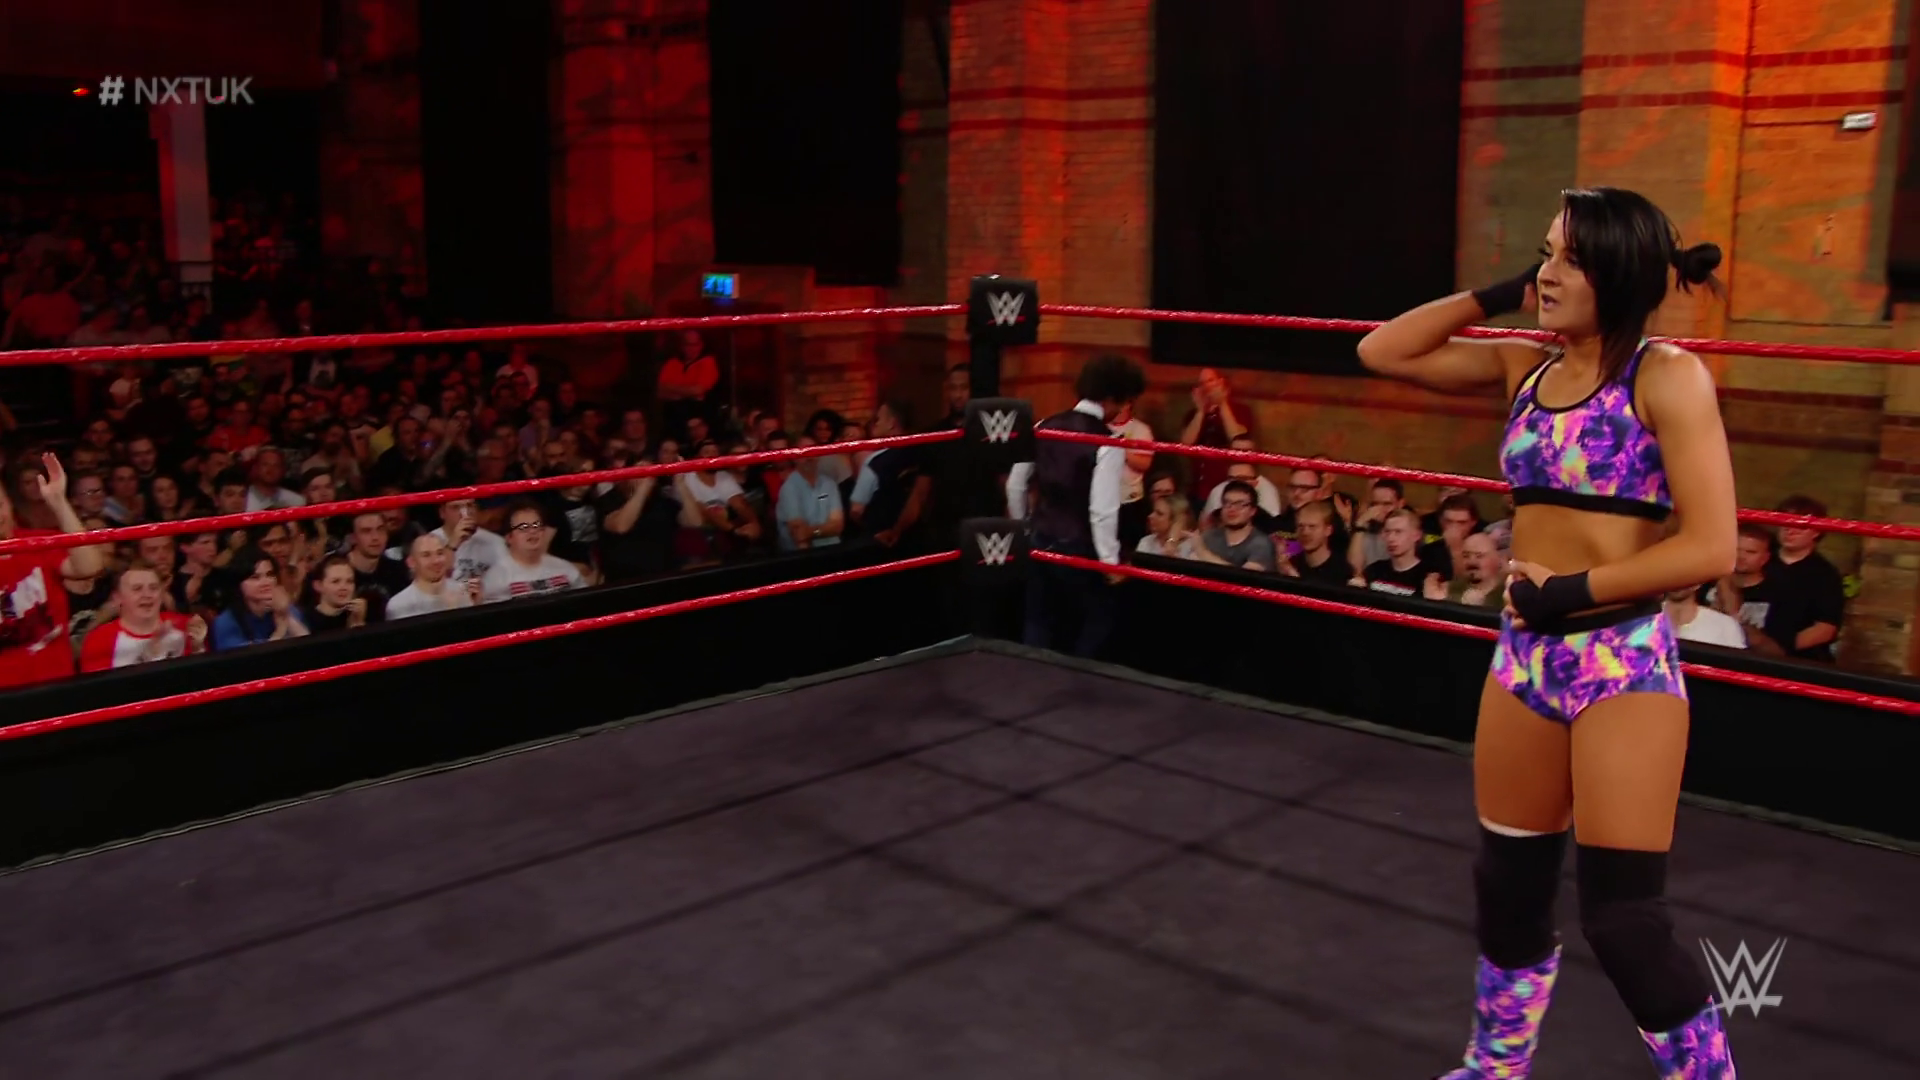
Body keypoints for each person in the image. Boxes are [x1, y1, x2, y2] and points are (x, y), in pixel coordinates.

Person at [1359, 187, 1737, 1077]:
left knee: (1625, 921)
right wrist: (1501, 293)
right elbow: (1382, 349)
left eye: (1569, 260)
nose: (1549, 275)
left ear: (1618, 273)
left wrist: (1570, 593)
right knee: (1508, 888)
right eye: (1544, 255)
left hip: (1622, 662)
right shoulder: (1523, 366)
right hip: (1527, 661)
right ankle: (1497, 1067)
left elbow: (1711, 545)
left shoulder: (1666, 377)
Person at [1005, 354, 1146, 658]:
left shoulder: (1044, 425)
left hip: (1040, 538)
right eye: (1123, 401)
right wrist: (1110, 563)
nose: (1122, 409)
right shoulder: (1108, 442)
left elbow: (1016, 484)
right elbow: (1102, 510)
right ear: (1111, 398)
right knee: (1096, 621)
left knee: (1038, 621)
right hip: (1078, 547)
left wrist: (1024, 527)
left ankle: (1029, 679)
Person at [0, 453, 109, 689]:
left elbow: (90, 566)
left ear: (9, 503)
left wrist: (59, 503)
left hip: (56, 683)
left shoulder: (37, 543)